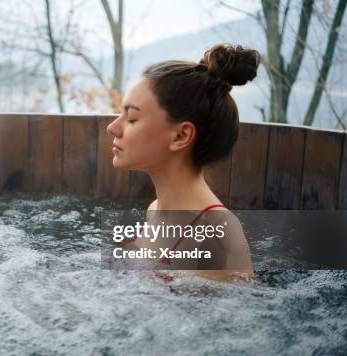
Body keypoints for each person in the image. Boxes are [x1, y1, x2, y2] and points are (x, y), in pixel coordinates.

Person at [106, 43, 259, 282]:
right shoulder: (155, 210)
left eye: (132, 118)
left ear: (181, 136)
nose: (113, 127)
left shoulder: (218, 239)